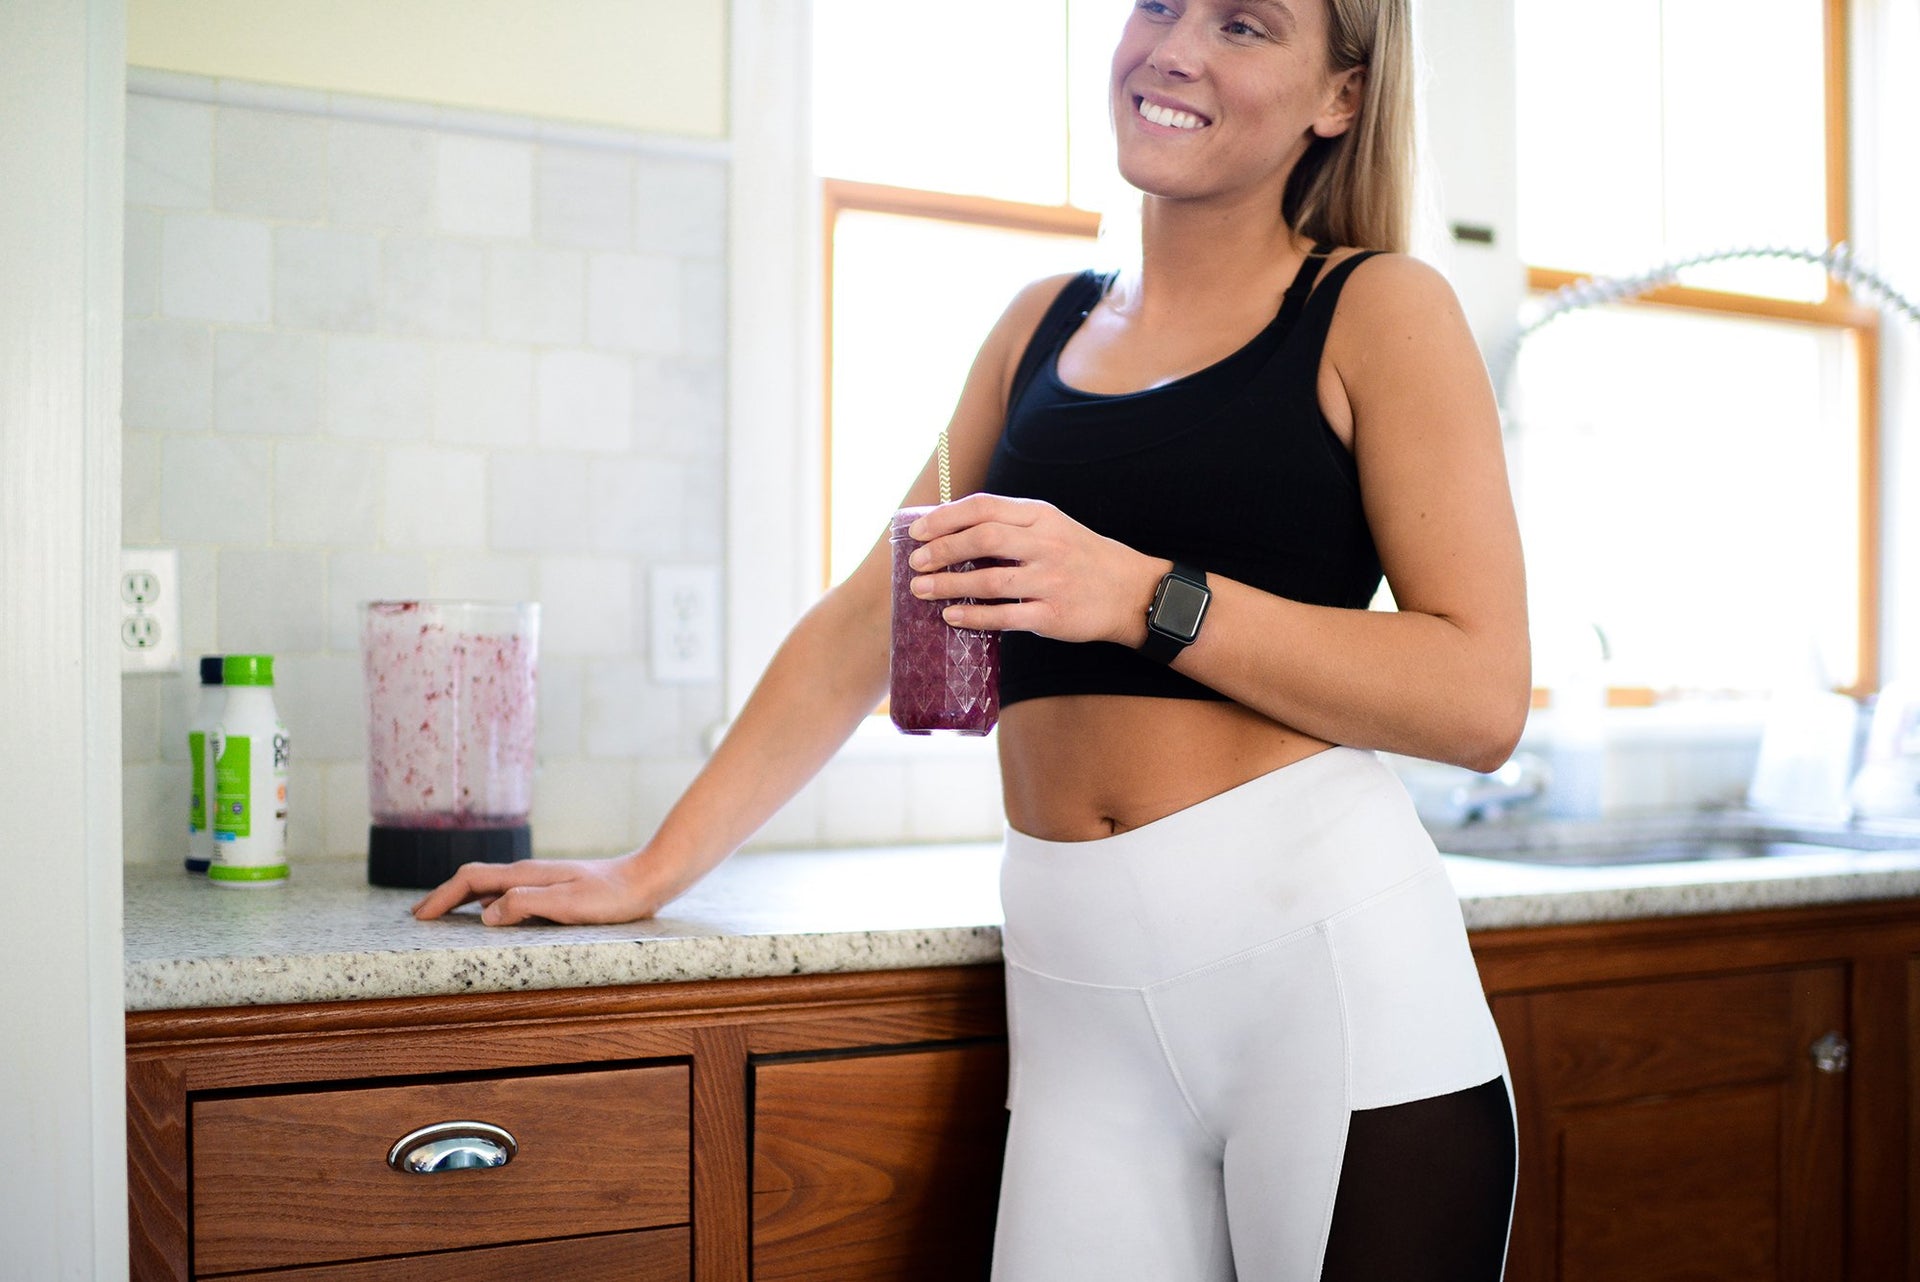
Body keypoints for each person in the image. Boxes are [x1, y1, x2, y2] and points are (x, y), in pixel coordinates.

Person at [415, 0, 1529, 1275]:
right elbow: (867, 622)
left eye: (1243, 24)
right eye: (1158, 4)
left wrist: (1141, 597)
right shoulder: (1039, 328)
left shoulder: (1377, 309)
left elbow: (1479, 693)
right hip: (1078, 1015)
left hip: (1331, 986)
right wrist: (651, 870)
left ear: (1339, 95)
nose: (1174, 47)